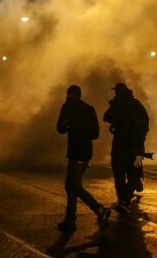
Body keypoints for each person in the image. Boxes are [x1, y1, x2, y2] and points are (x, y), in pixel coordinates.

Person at [56, 85, 111, 232]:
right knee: (70, 185)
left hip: (76, 151)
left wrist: (70, 126)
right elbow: (95, 134)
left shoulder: (67, 108)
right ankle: (70, 219)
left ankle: (99, 209)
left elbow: (60, 129)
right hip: (84, 151)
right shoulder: (89, 109)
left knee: (74, 185)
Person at [102, 83, 150, 213]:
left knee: (119, 176)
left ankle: (123, 200)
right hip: (134, 147)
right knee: (133, 175)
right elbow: (145, 124)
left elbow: (106, 117)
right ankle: (125, 200)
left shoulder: (118, 105)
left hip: (121, 146)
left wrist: (115, 122)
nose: (115, 94)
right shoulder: (136, 104)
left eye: (117, 91)